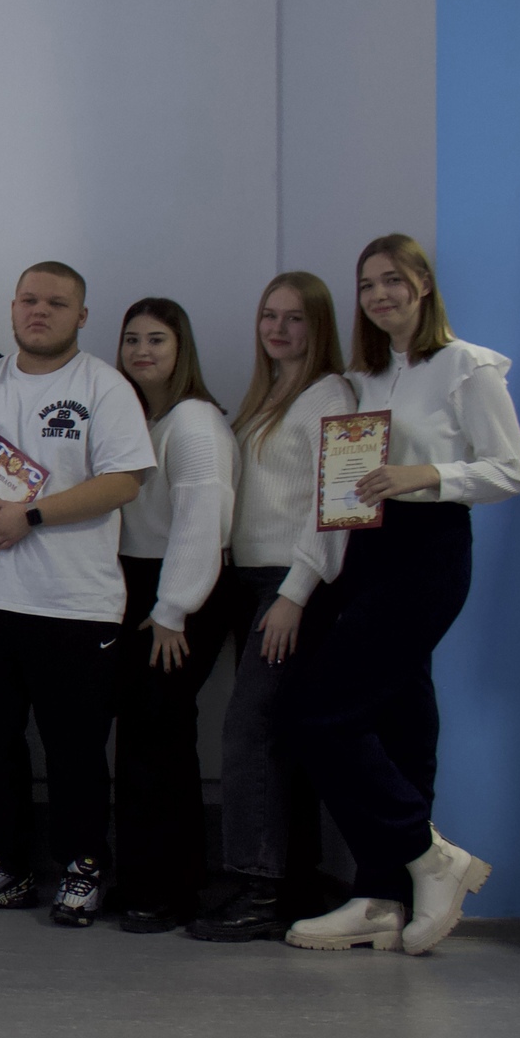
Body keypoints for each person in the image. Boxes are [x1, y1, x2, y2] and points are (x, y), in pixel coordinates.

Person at [276, 234, 520, 954]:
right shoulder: (366, 378)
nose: (379, 295)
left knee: (321, 712)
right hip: (367, 548)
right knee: (398, 720)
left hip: (429, 548)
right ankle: (381, 894)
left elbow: (511, 470)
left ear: (422, 284)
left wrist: (426, 476)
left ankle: (428, 854)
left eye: (392, 280)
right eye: (367, 285)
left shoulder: (466, 367)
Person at [0, 261, 154, 926]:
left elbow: (125, 481)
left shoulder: (102, 386)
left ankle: (83, 866)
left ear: (82, 315)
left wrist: (33, 514)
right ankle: (4, 862)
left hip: (73, 604)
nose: (39, 311)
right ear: (12, 308)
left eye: (56, 302)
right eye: (29, 300)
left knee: (75, 747)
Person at [186, 273, 355, 943]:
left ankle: (259, 888)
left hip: (290, 586)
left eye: (295, 318)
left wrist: (294, 594)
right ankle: (293, 880)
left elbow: (336, 506)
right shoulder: (268, 395)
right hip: (249, 579)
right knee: (277, 735)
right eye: (269, 316)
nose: (279, 329)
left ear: (319, 326)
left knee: (249, 732)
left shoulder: (331, 395)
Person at [108, 297, 234, 931]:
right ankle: (141, 877)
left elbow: (200, 520)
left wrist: (173, 610)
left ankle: (170, 889)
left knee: (160, 737)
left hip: (180, 591)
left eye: (156, 339)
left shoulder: (193, 421)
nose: (141, 351)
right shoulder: (143, 418)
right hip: (138, 583)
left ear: (181, 349)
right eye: (131, 340)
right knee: (140, 735)